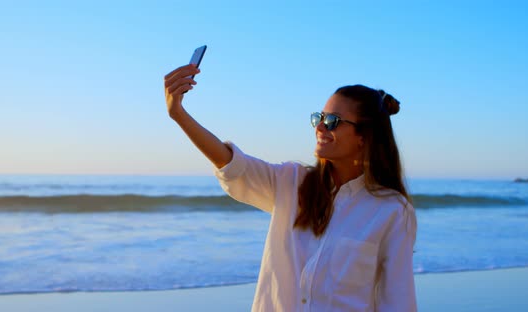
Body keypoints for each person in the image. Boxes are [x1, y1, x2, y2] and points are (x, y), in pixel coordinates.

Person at [164, 63, 417, 311]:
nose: (319, 127)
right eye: (319, 117)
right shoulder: (291, 182)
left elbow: (397, 300)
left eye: (332, 121)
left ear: (364, 136)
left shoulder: (392, 210)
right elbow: (231, 163)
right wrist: (179, 114)